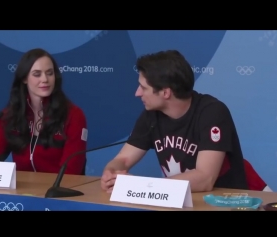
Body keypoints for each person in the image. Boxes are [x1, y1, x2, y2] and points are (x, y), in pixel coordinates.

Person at [101, 50, 249, 193]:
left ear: (166, 92)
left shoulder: (212, 112)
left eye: (143, 88)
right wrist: (111, 172)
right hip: (179, 201)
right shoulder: (151, 115)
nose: (137, 93)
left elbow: (205, 178)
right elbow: (124, 159)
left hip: (224, 202)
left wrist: (144, 186)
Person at [0, 48, 88, 175]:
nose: (45, 79)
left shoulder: (74, 115)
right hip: (21, 191)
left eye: (50, 73)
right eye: (37, 74)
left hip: (58, 192)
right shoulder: (9, 116)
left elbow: (71, 171)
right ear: (24, 78)